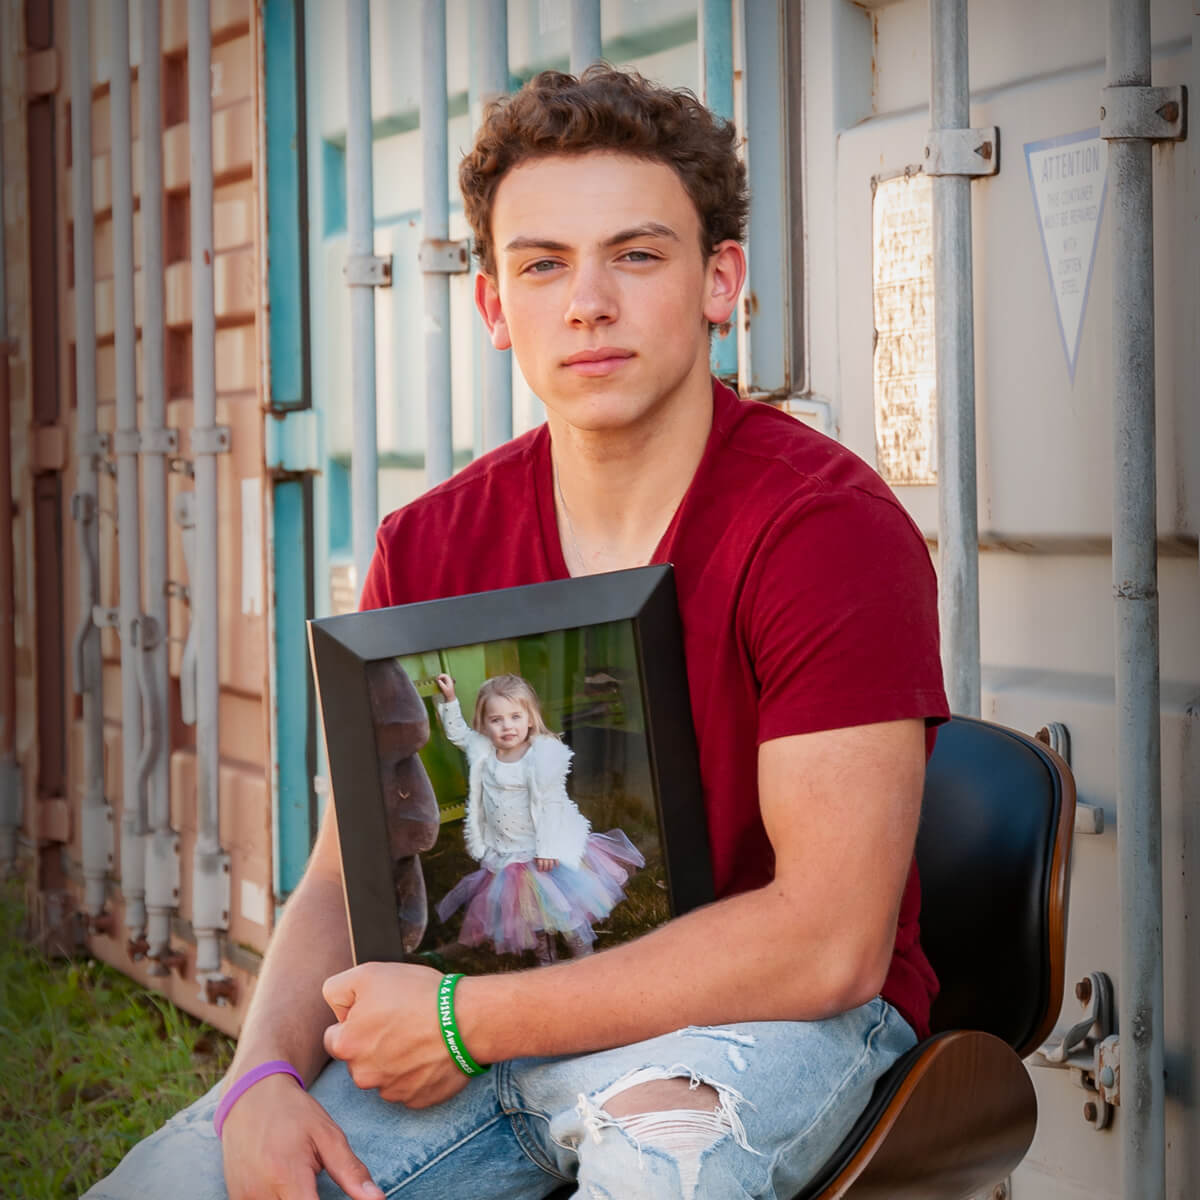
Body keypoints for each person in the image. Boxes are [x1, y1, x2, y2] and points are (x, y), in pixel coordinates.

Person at [87, 64, 948, 1200]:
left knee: (656, 1173)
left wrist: (460, 1016)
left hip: (768, 1021)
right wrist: (257, 1087)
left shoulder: (825, 529)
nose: (588, 301)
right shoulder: (429, 542)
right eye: (542, 264)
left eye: (637, 256)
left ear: (719, 282)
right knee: (171, 1186)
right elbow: (350, 878)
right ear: (494, 305)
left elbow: (827, 941)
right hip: (485, 1032)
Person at [430, 672, 644, 965]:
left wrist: (549, 848)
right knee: (529, 914)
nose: (507, 726)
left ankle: (582, 953)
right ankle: (546, 957)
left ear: (530, 719)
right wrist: (451, 700)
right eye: (497, 720)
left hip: (545, 853)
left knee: (563, 908)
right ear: (484, 725)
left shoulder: (541, 757)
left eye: (515, 717)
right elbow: (458, 734)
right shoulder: (483, 751)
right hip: (509, 852)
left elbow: (552, 806)